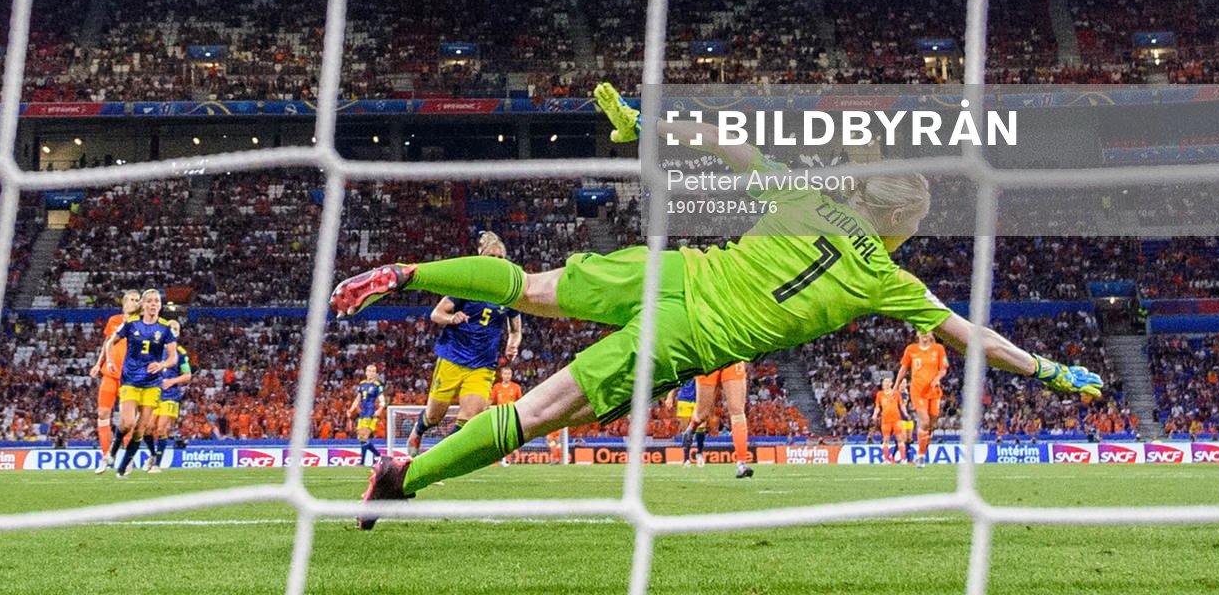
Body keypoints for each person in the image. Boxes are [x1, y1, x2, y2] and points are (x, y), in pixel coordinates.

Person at [335, 84, 1103, 528]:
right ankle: (407, 476)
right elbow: (976, 339)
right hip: (687, 335)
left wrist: (646, 127)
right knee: (539, 412)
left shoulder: (807, 197)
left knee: (530, 288)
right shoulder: (890, 281)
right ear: (900, 225)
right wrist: (1053, 372)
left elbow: (722, 141)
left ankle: (408, 272)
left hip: (674, 271)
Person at [405, 232, 523, 456]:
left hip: (483, 365)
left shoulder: (509, 293)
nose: (496, 262)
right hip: (453, 357)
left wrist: (513, 343)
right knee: (434, 416)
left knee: (468, 421)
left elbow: (516, 330)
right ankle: (418, 430)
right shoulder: (467, 285)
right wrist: (452, 318)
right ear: (481, 257)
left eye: (501, 258)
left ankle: (431, 459)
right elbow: (436, 313)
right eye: (491, 256)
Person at [112, 288, 178, 478]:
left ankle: (125, 465)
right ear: (143, 304)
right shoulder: (132, 324)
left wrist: (162, 364)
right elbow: (112, 342)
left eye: (156, 301)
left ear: (160, 305)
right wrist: (109, 361)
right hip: (132, 381)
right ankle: (120, 455)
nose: (153, 304)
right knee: (128, 423)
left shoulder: (165, 329)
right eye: (149, 301)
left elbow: (174, 358)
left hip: (154, 385)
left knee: (147, 427)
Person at [88, 291, 137, 474]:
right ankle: (106, 456)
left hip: (129, 377)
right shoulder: (114, 320)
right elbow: (107, 343)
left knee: (126, 420)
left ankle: (127, 460)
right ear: (124, 303)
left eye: (136, 300)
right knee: (102, 412)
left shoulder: (140, 323)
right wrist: (97, 363)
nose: (134, 302)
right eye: (131, 299)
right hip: (110, 374)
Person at [896, 327, 949, 465]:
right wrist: (896, 386)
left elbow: (943, 369)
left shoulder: (938, 349)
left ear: (931, 334)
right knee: (924, 422)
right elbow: (903, 369)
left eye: (927, 334)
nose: (925, 337)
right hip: (918, 390)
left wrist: (937, 378)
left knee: (932, 425)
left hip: (934, 391)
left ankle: (922, 452)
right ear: (918, 334)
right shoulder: (911, 349)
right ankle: (920, 455)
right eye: (922, 334)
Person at [146, 318, 191, 473]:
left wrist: (171, 381)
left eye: (175, 329)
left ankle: (157, 464)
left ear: (178, 334)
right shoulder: (153, 349)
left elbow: (187, 376)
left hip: (170, 395)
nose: (172, 330)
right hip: (153, 394)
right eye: (170, 327)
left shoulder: (181, 354)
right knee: (147, 428)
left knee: (161, 429)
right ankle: (153, 455)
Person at [693, 361, 754, 478]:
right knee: (702, 414)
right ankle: (691, 431)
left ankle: (741, 463)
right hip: (708, 357)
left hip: (732, 356)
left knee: (737, 411)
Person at [354, 365, 386, 466]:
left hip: (371, 413)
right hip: (363, 413)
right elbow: (358, 399)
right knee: (361, 438)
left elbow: (382, 401)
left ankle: (362, 462)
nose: (371, 373)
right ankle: (379, 457)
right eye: (369, 371)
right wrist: (351, 409)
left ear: (375, 374)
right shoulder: (362, 384)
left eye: (373, 371)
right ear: (366, 372)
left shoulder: (377, 385)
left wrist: (380, 409)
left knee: (364, 437)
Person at [874, 374, 910, 464]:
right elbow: (878, 406)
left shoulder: (896, 393)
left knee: (900, 439)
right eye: (883, 382)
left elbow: (901, 405)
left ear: (891, 384)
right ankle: (886, 460)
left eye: (886, 382)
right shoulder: (880, 394)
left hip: (896, 419)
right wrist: (875, 414)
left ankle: (903, 459)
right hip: (885, 420)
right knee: (886, 440)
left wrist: (905, 413)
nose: (884, 383)